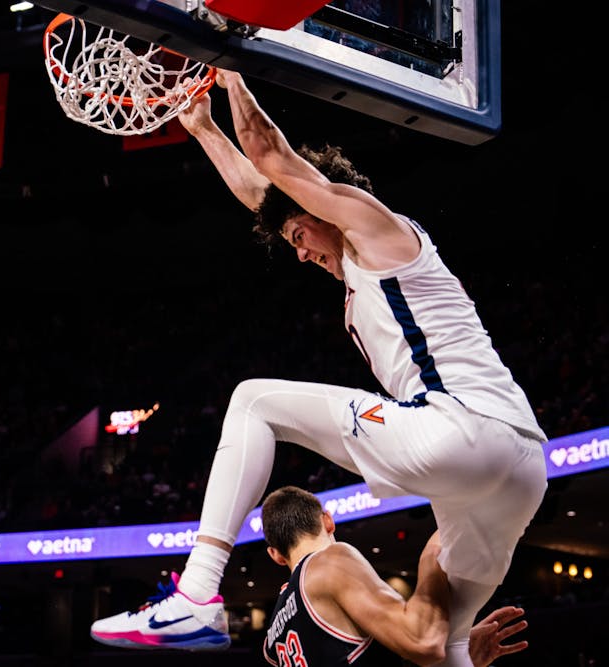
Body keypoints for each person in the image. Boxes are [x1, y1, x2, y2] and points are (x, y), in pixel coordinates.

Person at [89, 69, 548, 667]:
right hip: (521, 471)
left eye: (300, 233)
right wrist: (202, 128)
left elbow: (272, 160)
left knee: (253, 400)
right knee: (440, 645)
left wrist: (230, 75)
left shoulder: (379, 233)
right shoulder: (360, 271)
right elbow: (264, 193)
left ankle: (197, 592)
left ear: (324, 202)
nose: (300, 253)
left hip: (461, 430)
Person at [256, 486, 528, 666]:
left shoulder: (272, 639)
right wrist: (431, 555)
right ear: (328, 521)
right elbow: (423, 642)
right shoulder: (329, 561)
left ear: (275, 555)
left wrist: (459, 654)